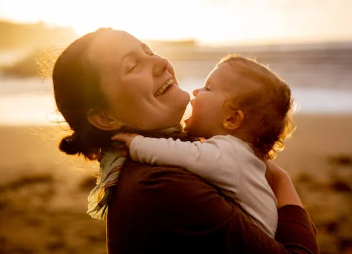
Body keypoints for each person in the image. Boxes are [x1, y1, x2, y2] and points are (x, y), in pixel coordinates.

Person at [52, 28, 319, 253]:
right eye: (133, 66)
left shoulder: (169, 160)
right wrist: (281, 181)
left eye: (149, 51)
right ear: (105, 117)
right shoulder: (161, 185)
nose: (160, 62)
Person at [111, 54, 295, 238]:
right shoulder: (241, 156)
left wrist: (136, 143)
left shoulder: (230, 154)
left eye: (208, 88)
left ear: (231, 119)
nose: (195, 92)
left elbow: (181, 153)